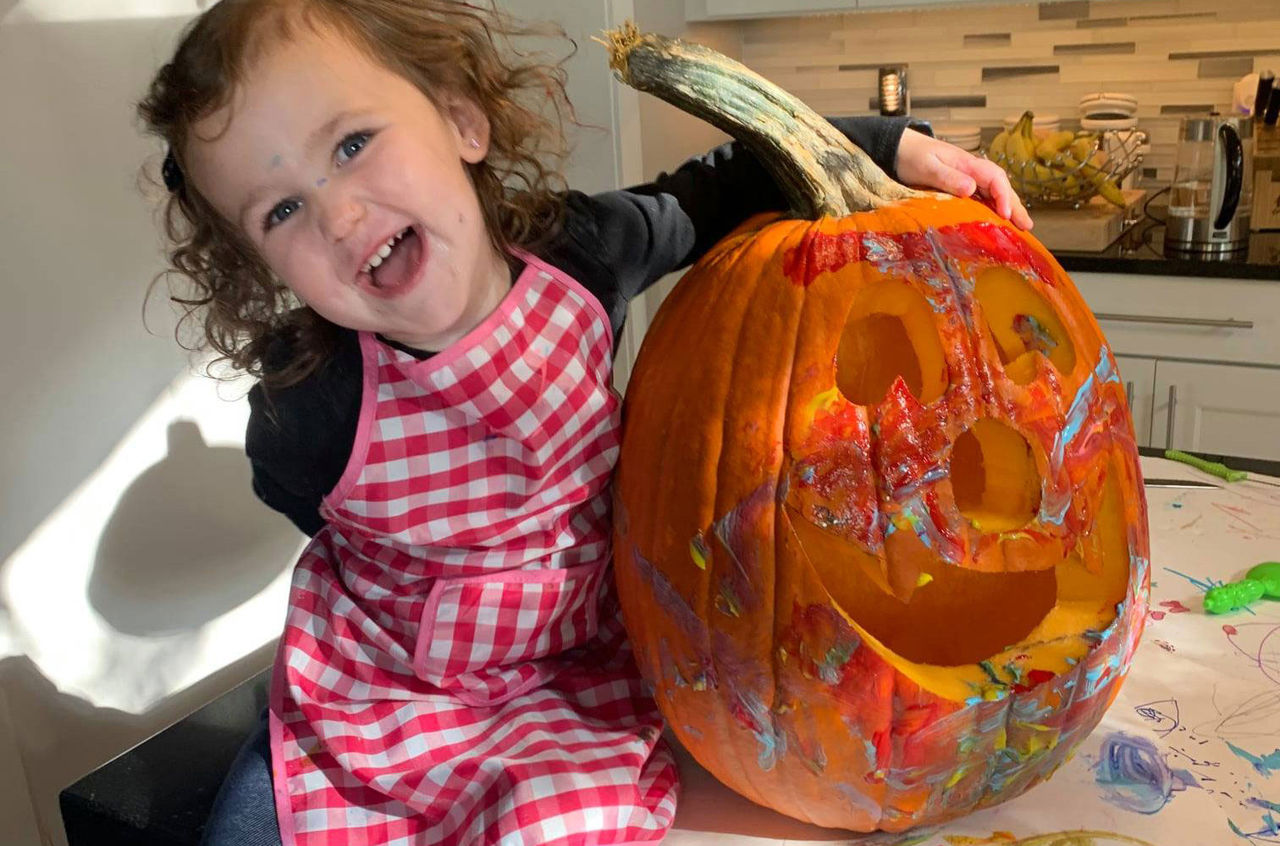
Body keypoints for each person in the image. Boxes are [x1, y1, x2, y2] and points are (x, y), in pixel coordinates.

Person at [136, 2, 1031, 844]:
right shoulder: (312, 403)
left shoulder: (582, 254)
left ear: (462, 124)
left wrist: (884, 146)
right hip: (388, 678)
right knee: (262, 818)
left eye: (354, 143)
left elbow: (718, 187)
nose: (338, 214)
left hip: (575, 664)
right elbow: (290, 489)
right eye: (281, 210)